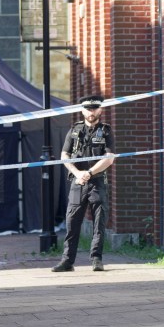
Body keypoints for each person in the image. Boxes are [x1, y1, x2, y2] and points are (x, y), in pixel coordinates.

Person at [52, 94, 115, 272]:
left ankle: (96, 259)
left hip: (97, 182)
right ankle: (67, 261)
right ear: (82, 110)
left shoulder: (106, 130)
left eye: (94, 108)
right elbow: (64, 155)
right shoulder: (74, 130)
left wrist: (89, 172)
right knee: (72, 222)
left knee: (99, 223)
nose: (91, 112)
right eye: (88, 109)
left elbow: (109, 158)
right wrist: (77, 173)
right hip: (77, 182)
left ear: (100, 110)